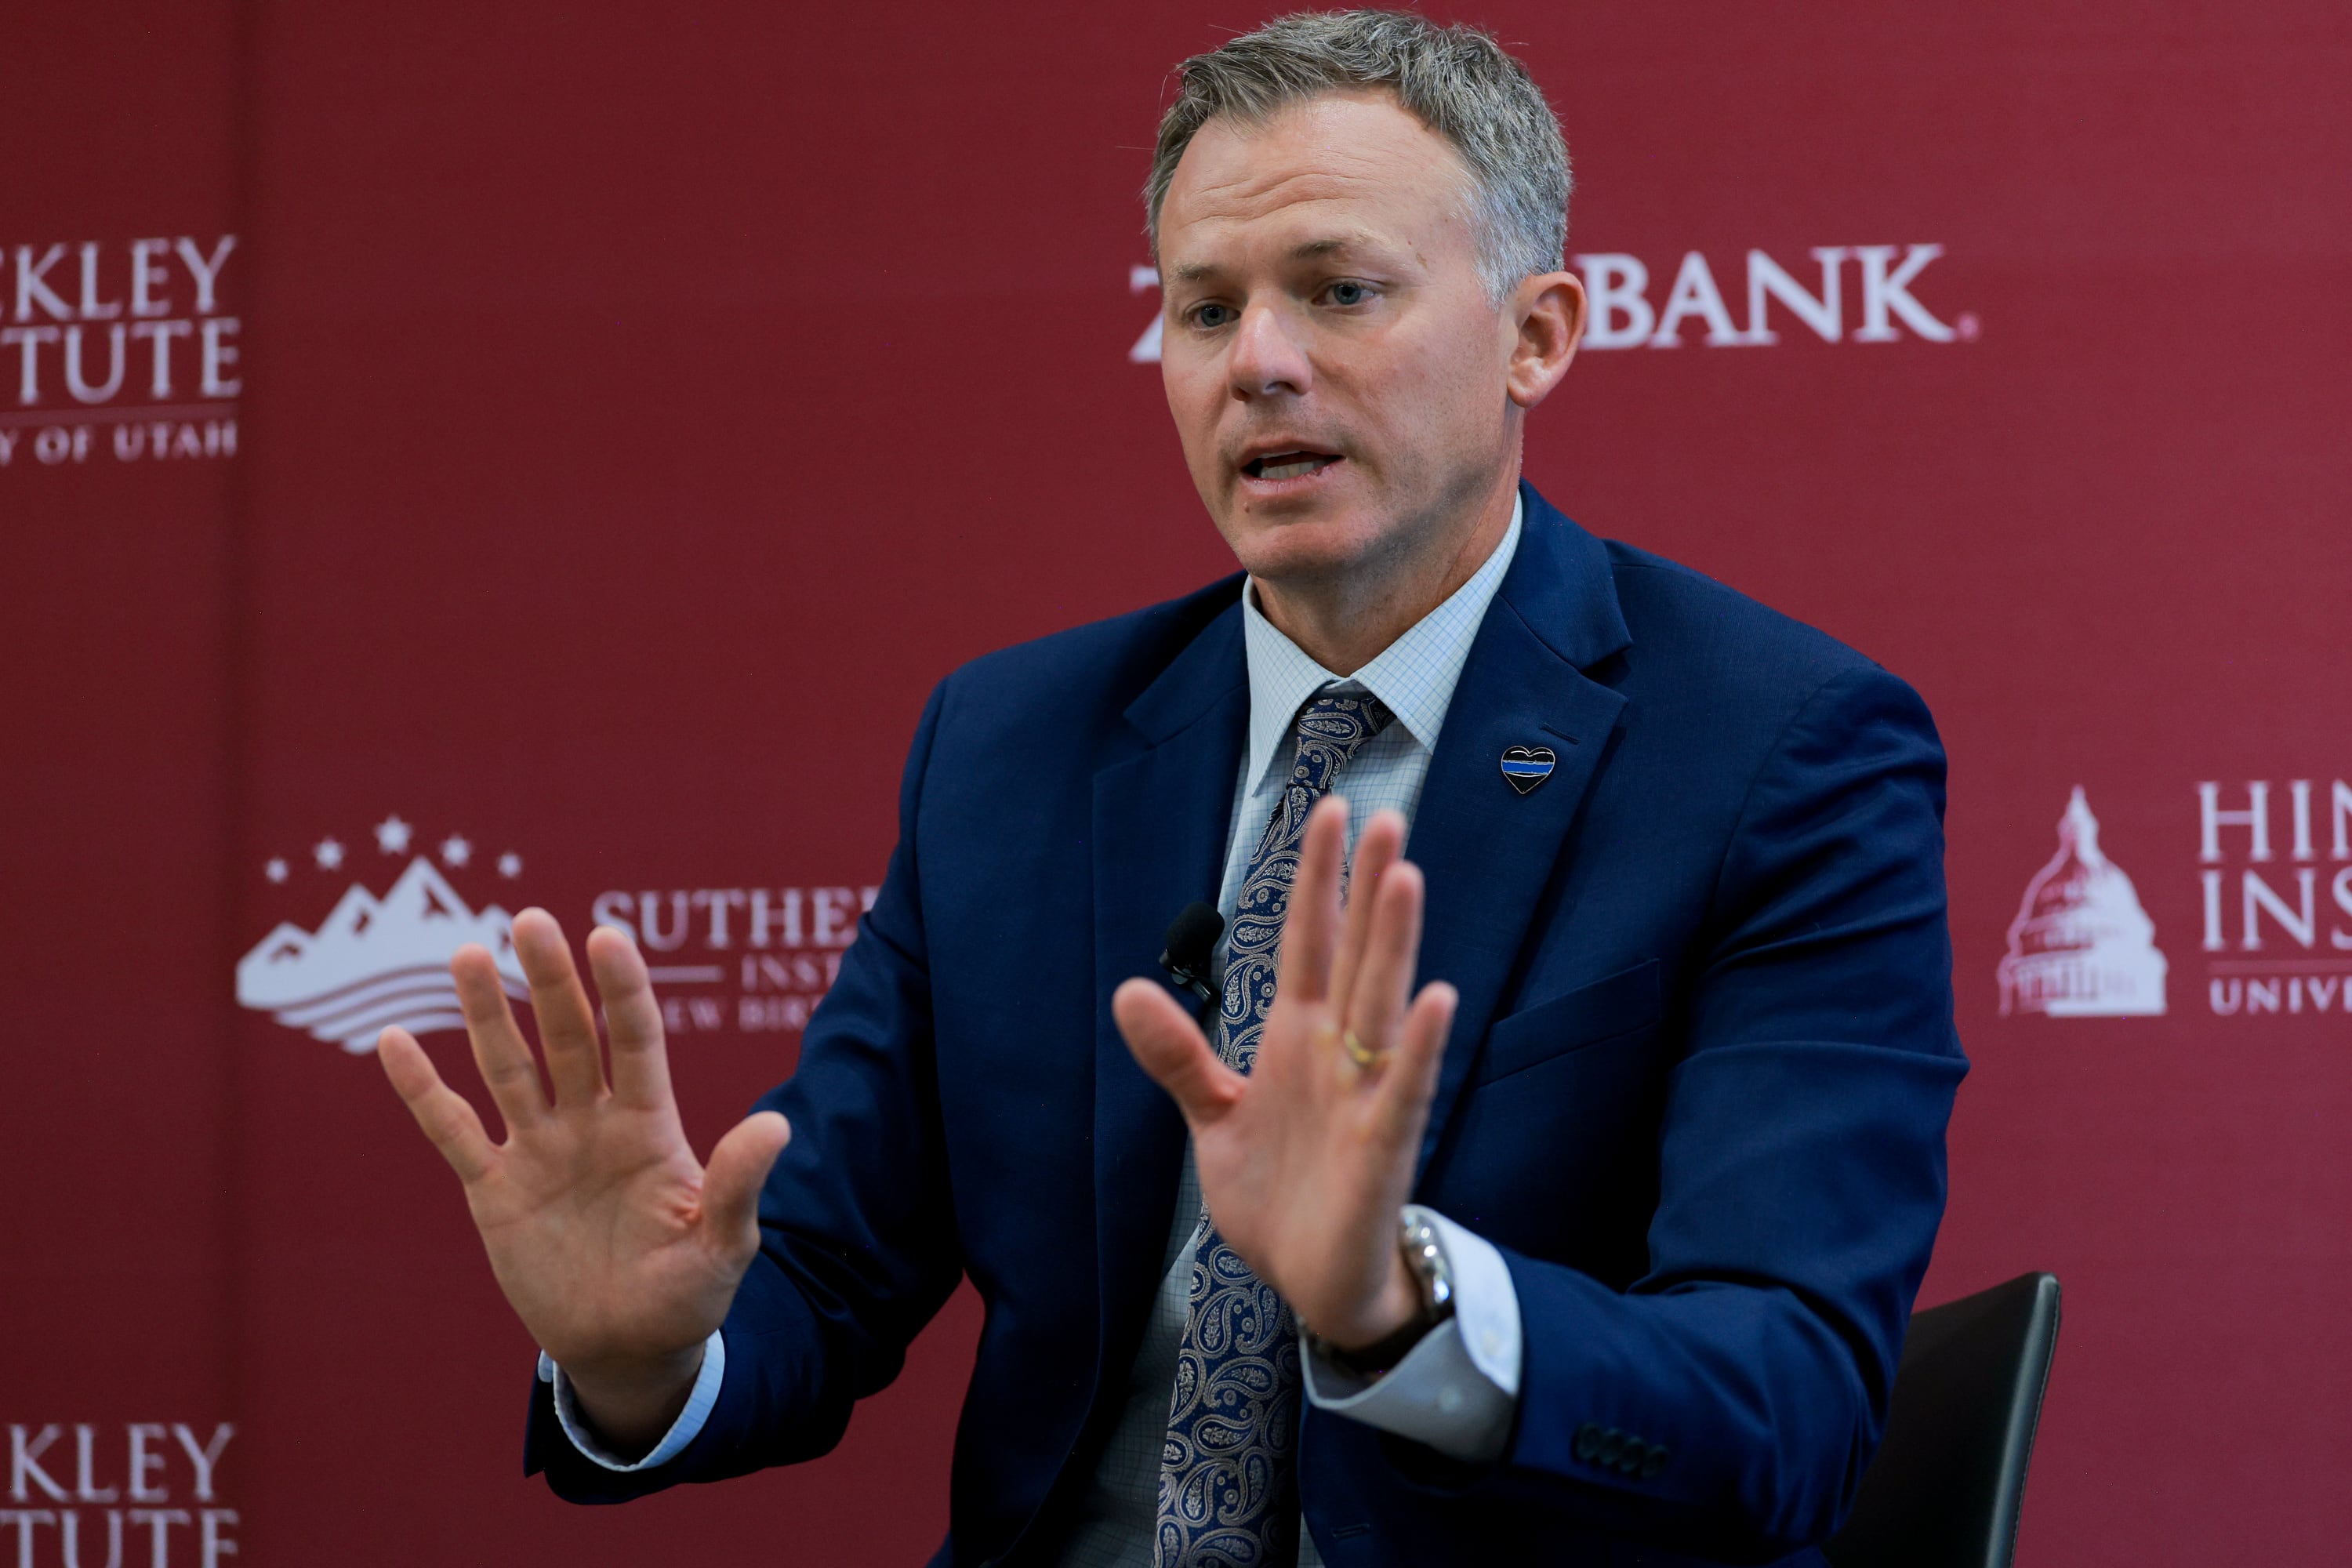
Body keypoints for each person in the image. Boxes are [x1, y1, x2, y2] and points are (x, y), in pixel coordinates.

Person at [379, 11, 1965, 1565]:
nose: (1259, 364)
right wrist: (645, 1354)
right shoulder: (1009, 747)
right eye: (1203, 311)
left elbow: (1790, 1399)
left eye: (1339, 292)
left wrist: (1399, 1295)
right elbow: (819, 1272)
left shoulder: (1780, 750)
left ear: (1536, 336)